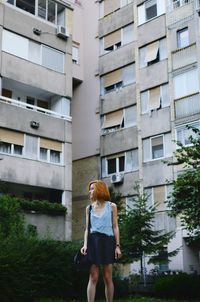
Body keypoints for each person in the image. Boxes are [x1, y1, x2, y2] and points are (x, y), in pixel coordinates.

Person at [81, 180, 122, 302]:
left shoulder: (112, 206)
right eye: (90, 188)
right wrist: (85, 245)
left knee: (107, 277)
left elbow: (115, 227)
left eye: (92, 188)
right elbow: (87, 229)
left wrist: (117, 246)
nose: (90, 191)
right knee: (93, 277)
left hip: (107, 243)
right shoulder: (89, 208)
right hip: (93, 243)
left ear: (100, 189)